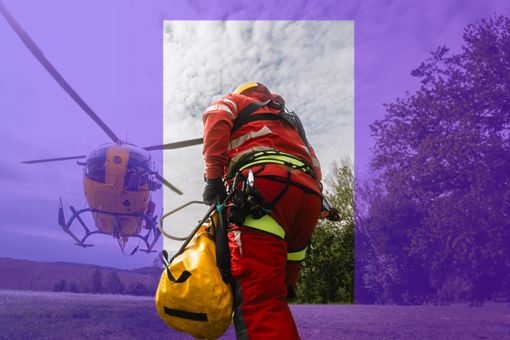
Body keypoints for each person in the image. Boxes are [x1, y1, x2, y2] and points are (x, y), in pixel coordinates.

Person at [202, 82, 323, 339]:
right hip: (309, 196)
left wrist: (214, 179)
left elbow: (216, 116)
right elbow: (315, 163)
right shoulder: (289, 121)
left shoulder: (236, 101)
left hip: (265, 190)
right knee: (278, 293)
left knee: (260, 300)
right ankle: (287, 283)